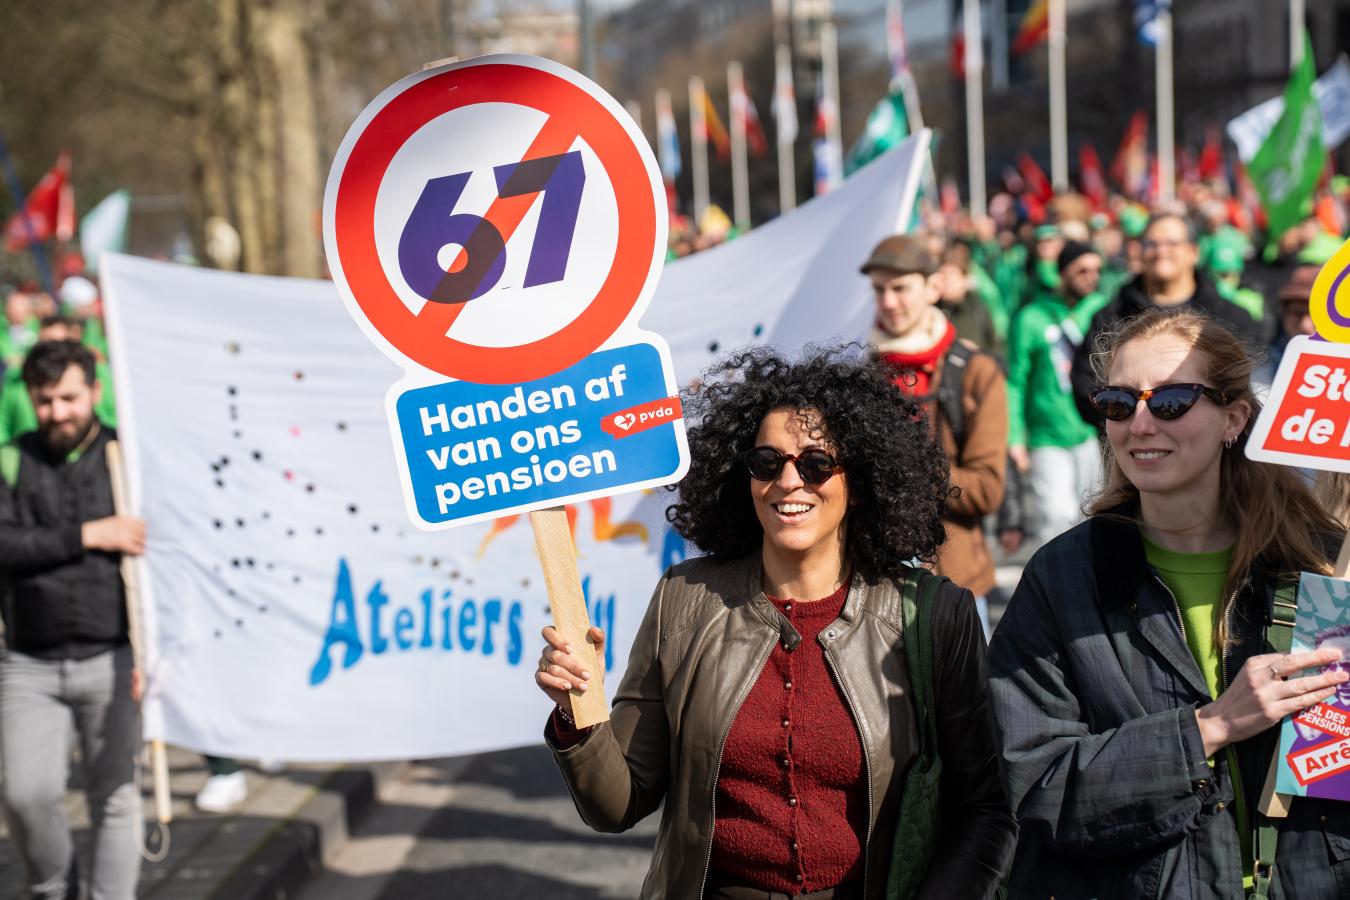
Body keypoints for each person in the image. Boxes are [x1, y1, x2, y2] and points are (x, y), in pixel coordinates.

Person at [536, 347, 1016, 899]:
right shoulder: (684, 599)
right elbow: (615, 805)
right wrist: (582, 709)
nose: (789, 481)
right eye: (767, 463)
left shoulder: (933, 616)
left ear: (857, 481)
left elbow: (984, 812)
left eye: (816, 464)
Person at [989, 309, 1350, 897]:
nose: (1139, 423)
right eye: (1117, 402)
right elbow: (1035, 787)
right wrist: (1209, 727)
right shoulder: (1063, 577)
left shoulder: (1322, 567)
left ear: (1234, 418)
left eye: (1172, 401)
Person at [0, 340, 146, 900]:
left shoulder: (127, 458)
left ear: (95, 392)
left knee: (115, 795)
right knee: (25, 796)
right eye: (44, 401)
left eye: (68, 398)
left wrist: (154, 656)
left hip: (114, 657)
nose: (58, 413)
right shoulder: (13, 459)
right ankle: (54, 886)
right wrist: (89, 535)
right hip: (28, 663)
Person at [861, 235, 1009, 627]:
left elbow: (987, 489)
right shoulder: (859, 371)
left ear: (933, 287)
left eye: (901, 288)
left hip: (952, 582)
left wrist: (913, 472)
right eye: (879, 290)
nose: (889, 302)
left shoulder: (975, 371)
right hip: (869, 584)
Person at [1071, 212, 1262, 424]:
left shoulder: (1231, 317)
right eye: (1152, 244)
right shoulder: (1110, 317)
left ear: (1193, 252)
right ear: (1140, 251)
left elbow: (1252, 383)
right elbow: (1086, 384)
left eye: (1172, 243)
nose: (1161, 251)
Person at [1005, 241, 1108, 541]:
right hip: (1046, 436)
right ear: (1062, 273)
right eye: (1082, 270)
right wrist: (1015, 436)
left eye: (1096, 270)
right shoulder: (1031, 318)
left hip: (1089, 432)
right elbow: (1015, 380)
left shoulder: (1100, 310)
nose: (1092, 276)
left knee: (1094, 515)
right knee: (1055, 517)